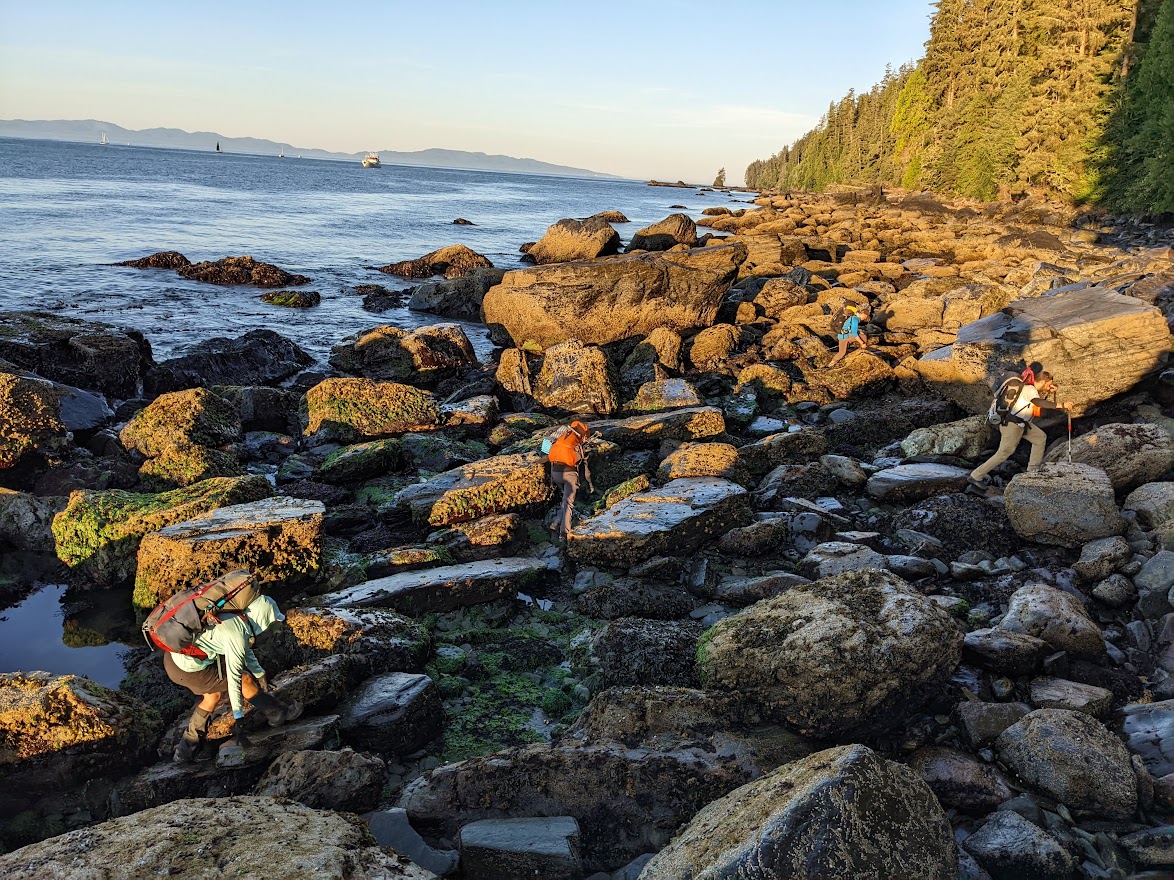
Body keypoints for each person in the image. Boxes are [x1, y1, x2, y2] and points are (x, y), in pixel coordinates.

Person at [165, 593, 302, 763]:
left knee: (212, 696)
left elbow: (244, 649)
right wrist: (238, 715)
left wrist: (259, 673)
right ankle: (278, 713)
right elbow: (235, 676)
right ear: (262, 618)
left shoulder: (236, 618)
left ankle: (185, 751)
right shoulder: (236, 633)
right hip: (187, 669)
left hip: (173, 657)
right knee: (245, 679)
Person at [968, 370, 1070, 490]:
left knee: (1040, 437)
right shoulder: (1030, 389)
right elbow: (1037, 402)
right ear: (1042, 381)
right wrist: (1061, 405)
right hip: (1013, 425)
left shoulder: (1030, 389)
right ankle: (975, 476)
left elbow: (1037, 399)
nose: (1049, 387)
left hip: (1021, 423)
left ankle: (1032, 471)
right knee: (1003, 453)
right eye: (1048, 384)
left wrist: (1049, 390)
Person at [547, 420, 595, 541]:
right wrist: (590, 484)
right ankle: (563, 535)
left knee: (565, 501)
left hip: (555, 473)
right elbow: (584, 466)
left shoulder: (561, 433)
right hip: (569, 474)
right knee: (568, 504)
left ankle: (555, 523)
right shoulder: (578, 443)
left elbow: (546, 446)